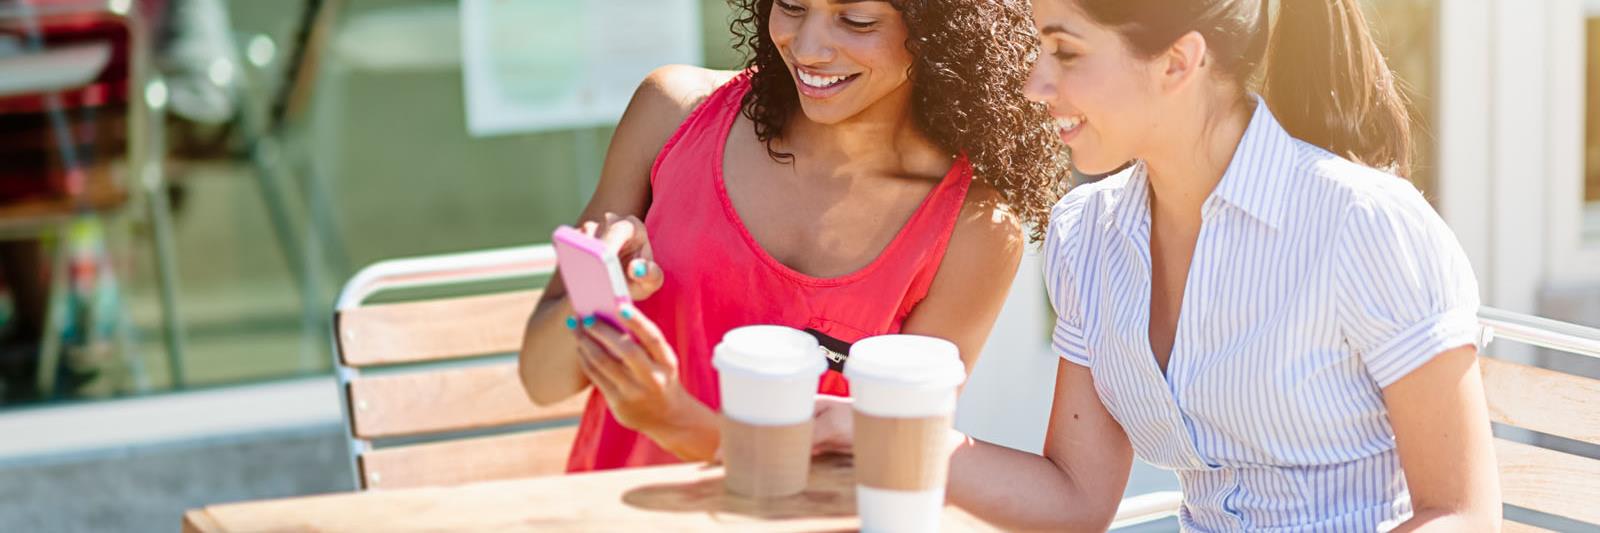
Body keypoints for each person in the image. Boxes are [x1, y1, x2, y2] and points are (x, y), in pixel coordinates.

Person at [822, 0, 1502, 530]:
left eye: (1064, 51)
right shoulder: (1088, 234)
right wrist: (871, 433)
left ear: (1179, 62)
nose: (1035, 83)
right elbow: (1077, 497)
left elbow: (1464, 514)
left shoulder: (1364, 225)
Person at [517, 0, 1067, 472]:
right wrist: (601, 294)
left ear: (937, 27)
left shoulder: (971, 230)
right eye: (793, 5)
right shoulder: (672, 113)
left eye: (855, 19)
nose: (807, 47)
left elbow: (894, 461)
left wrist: (677, 422)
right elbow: (542, 380)